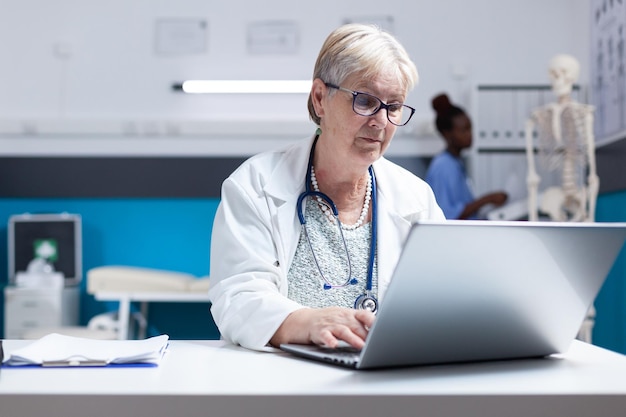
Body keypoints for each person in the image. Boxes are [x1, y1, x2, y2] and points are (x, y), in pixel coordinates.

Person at [208, 23, 445, 352]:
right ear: (320, 98)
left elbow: (443, 299)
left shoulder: (416, 199)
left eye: (393, 107)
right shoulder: (256, 185)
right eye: (365, 101)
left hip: (385, 384)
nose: (380, 121)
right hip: (278, 386)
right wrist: (309, 322)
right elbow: (237, 298)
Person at [426, 93, 508, 219]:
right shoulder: (442, 166)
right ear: (447, 134)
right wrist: (488, 199)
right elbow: (446, 215)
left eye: (470, 128)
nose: (470, 135)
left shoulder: (455, 162)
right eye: (463, 130)